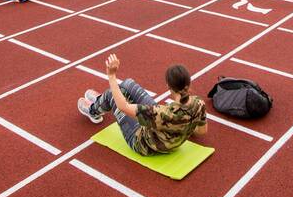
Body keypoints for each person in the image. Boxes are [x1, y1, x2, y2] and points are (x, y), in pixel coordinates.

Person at [77, 54, 207, 156]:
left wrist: (111, 75)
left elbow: (123, 107)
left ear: (168, 86)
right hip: (165, 134)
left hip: (142, 143)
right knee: (127, 84)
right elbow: (202, 131)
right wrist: (185, 124)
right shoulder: (199, 103)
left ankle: (93, 111)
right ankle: (102, 101)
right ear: (188, 84)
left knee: (113, 95)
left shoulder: (162, 113)